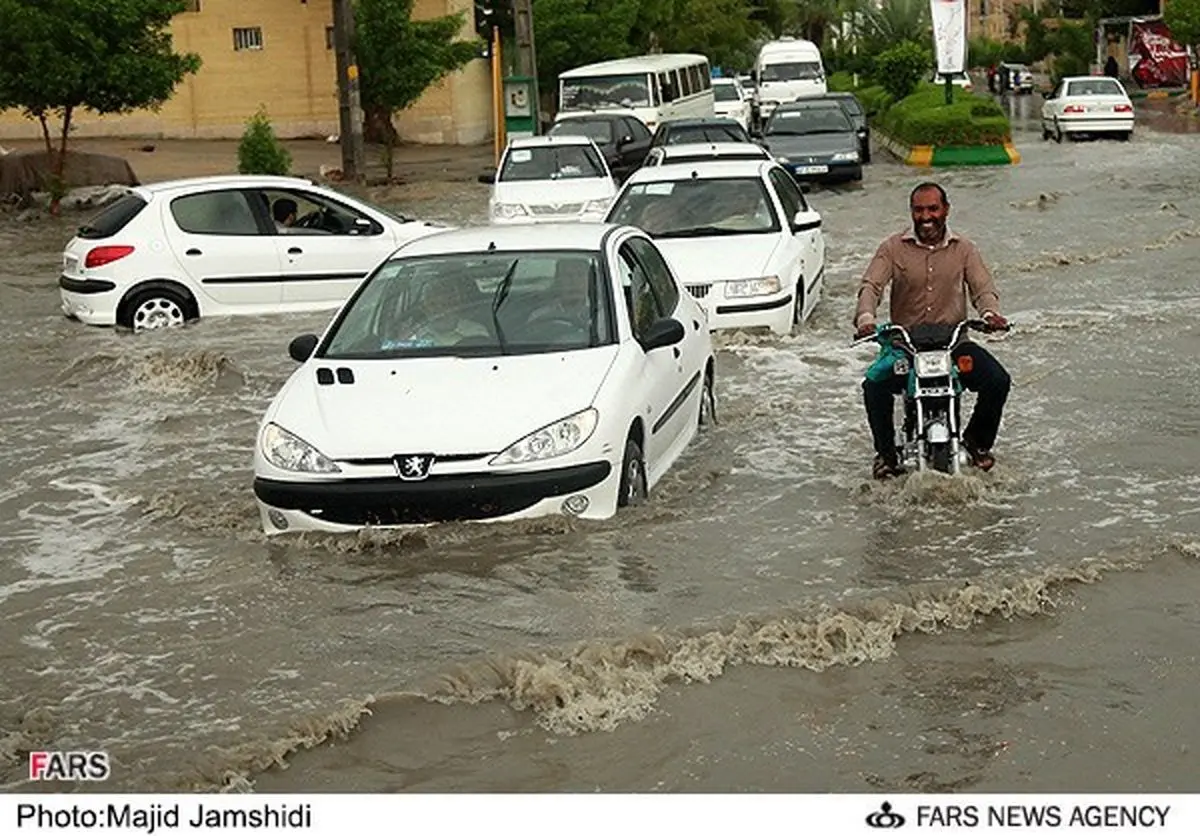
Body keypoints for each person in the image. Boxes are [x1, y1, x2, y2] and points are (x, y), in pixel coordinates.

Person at [853, 182, 1011, 480]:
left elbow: (983, 289)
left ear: (946, 210)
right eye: (919, 210)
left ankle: (976, 443)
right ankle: (886, 454)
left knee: (997, 380)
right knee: (874, 387)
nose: (926, 216)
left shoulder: (964, 249)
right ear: (911, 212)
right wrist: (865, 318)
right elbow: (871, 286)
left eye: (933, 209)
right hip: (905, 347)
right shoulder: (892, 248)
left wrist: (990, 314)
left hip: (954, 344)